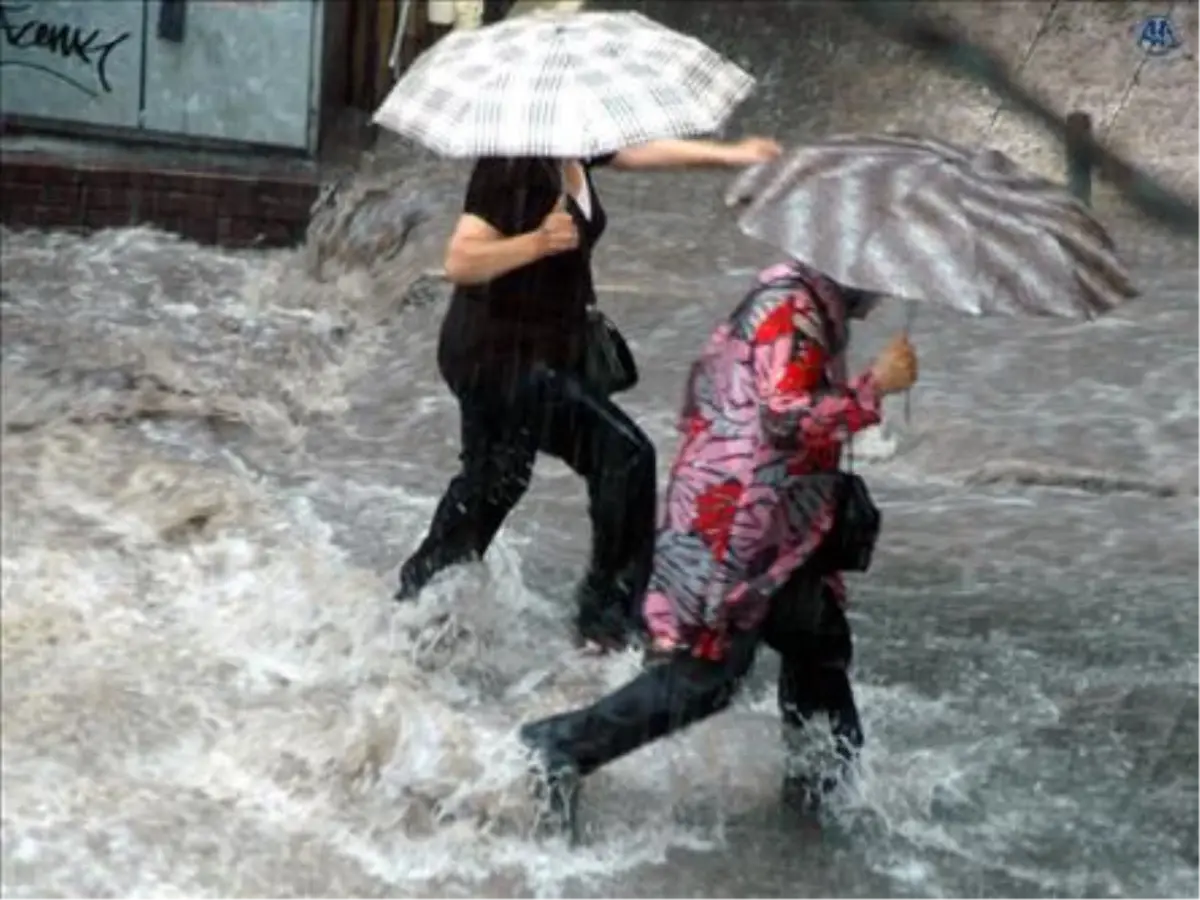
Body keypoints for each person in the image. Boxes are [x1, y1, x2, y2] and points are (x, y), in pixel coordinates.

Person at [518, 260, 919, 838]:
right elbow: (787, 420)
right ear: (848, 269)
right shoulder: (790, 309)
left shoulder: (809, 308)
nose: (885, 293)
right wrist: (874, 387)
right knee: (704, 680)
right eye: (879, 278)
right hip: (736, 528)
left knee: (819, 650)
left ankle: (819, 803)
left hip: (779, 525)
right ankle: (558, 747)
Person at [394, 138, 783, 651]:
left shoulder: (572, 147)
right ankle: (608, 623)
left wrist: (730, 156)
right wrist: (536, 242)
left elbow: (636, 153)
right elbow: (462, 259)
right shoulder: (514, 163)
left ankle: (415, 599)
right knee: (625, 456)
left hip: (527, 353)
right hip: (501, 358)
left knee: (496, 480)